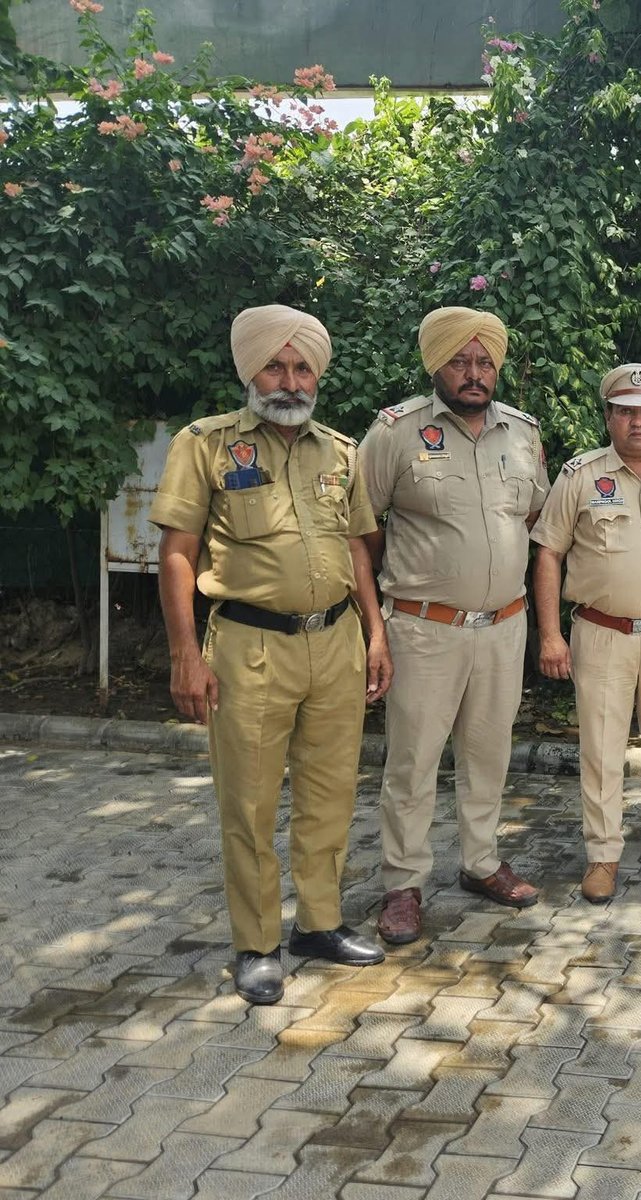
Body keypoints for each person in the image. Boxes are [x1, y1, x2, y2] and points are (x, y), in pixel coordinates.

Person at [152, 304, 391, 1005]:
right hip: (248, 648)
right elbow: (177, 553)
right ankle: (256, 944)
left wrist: (376, 633)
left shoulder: (340, 451)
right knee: (250, 803)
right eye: (275, 367)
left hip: (337, 642)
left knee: (331, 793)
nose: (290, 381)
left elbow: (357, 548)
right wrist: (184, 655)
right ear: (249, 372)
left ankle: (320, 924)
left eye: (302, 368)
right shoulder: (207, 445)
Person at [357, 308, 550, 945]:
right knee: (412, 761)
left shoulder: (523, 434)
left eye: (484, 362)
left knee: (488, 754)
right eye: (461, 361)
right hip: (423, 630)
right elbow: (360, 528)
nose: (474, 373)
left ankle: (481, 862)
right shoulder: (395, 432)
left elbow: (533, 518)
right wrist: (379, 621)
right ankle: (403, 883)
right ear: (436, 365)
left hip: (503, 628)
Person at [532, 364, 641, 903]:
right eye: (626, 412)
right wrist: (550, 635)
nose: (638, 422)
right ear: (608, 416)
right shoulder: (580, 476)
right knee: (603, 750)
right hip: (603, 634)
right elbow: (548, 553)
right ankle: (603, 854)